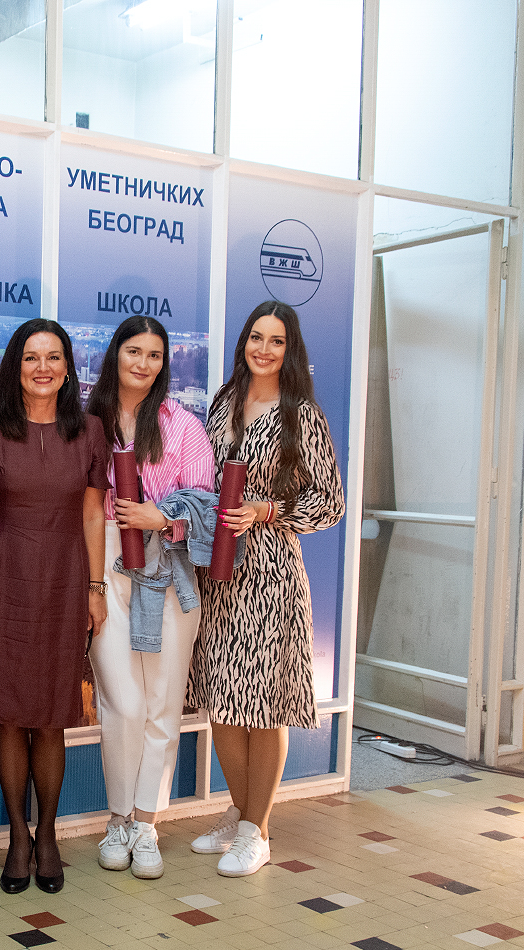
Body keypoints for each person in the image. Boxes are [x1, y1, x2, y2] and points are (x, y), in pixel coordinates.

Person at [187, 300, 344, 877]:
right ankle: (240, 813)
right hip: (217, 572)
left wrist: (268, 509)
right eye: (257, 337)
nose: (264, 349)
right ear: (244, 342)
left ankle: (258, 831)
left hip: (270, 571)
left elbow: (330, 502)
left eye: (276, 341)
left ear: (290, 349)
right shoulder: (224, 401)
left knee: (262, 703)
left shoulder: (303, 415)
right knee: (223, 699)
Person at [0, 320, 109, 894]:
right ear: (14, 368)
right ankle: (17, 836)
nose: (42, 368)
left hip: (63, 582)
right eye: (30, 358)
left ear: (68, 368)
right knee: (9, 714)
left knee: (51, 715)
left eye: (52, 357)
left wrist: (96, 589)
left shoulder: (89, 431)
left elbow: (93, 514)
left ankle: (47, 834)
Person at [83, 316, 216, 879]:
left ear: (165, 364)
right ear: (116, 354)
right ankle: (117, 818)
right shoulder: (87, 421)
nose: (143, 363)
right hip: (104, 565)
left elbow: (207, 504)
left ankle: (146, 822)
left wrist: (161, 517)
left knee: (162, 702)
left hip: (168, 568)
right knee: (122, 700)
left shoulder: (182, 425)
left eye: (154, 355)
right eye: (133, 351)